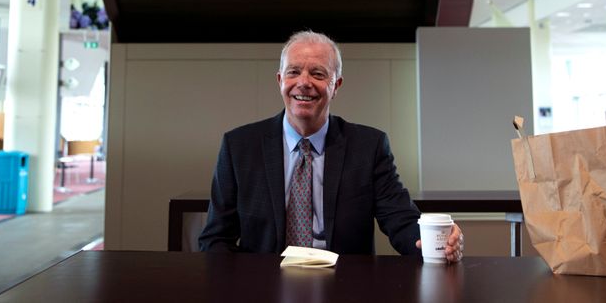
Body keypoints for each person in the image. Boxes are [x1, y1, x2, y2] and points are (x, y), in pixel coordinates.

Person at [198, 30, 464, 260]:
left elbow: (400, 219)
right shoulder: (239, 147)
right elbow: (215, 238)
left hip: (344, 285)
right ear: (280, 81)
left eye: (318, 73)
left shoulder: (368, 147)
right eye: (293, 72)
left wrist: (437, 243)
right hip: (264, 285)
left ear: (335, 85)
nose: (304, 82)